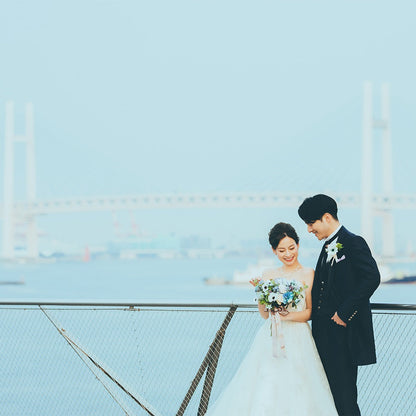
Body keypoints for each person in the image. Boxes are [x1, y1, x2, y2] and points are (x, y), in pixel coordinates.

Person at [205, 222, 338, 416]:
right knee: (267, 384)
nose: (288, 254)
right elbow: (265, 315)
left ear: (298, 245)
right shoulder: (268, 275)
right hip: (270, 337)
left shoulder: (308, 274)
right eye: (282, 250)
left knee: (300, 386)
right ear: (274, 251)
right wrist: (262, 296)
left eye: (292, 248)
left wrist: (288, 316)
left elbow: (310, 312)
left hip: (299, 338)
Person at [298, 194, 380, 416]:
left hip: (344, 335)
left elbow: (372, 277)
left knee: (345, 398)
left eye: (311, 223)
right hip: (323, 334)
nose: (309, 230)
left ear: (326, 217)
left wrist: (344, 312)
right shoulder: (327, 246)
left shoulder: (353, 242)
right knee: (328, 397)